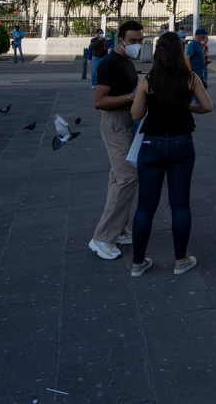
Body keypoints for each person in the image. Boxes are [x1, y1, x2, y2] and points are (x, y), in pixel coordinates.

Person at [127, 31, 213, 277]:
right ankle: (180, 259)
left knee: (145, 206)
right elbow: (207, 107)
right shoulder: (190, 77)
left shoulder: (148, 79)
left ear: (158, 52)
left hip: (151, 144)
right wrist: (187, 106)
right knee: (180, 204)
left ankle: (137, 262)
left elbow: (135, 115)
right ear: (179, 50)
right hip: (181, 143)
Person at [90, 20, 143, 261]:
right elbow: (99, 102)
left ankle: (119, 230)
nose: (137, 44)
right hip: (115, 123)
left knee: (119, 176)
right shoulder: (110, 63)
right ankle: (102, 238)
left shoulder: (127, 62)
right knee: (127, 177)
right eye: (132, 41)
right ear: (120, 39)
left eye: (140, 40)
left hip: (128, 122)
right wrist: (133, 95)